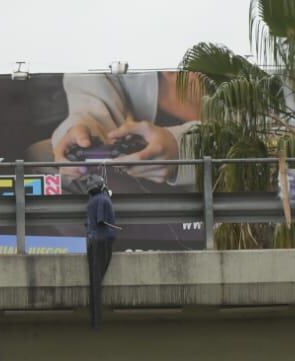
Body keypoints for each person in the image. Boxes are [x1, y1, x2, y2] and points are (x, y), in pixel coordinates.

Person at [50, 71, 204, 187]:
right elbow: (91, 91)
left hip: (219, 181)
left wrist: (183, 148)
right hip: (147, 178)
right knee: (44, 160)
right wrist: (84, 125)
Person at [84, 175, 122, 330]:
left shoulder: (91, 201)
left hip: (92, 241)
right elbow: (102, 219)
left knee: (95, 281)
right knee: (97, 281)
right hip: (102, 240)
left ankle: (95, 321)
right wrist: (116, 228)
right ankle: (97, 321)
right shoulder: (103, 200)